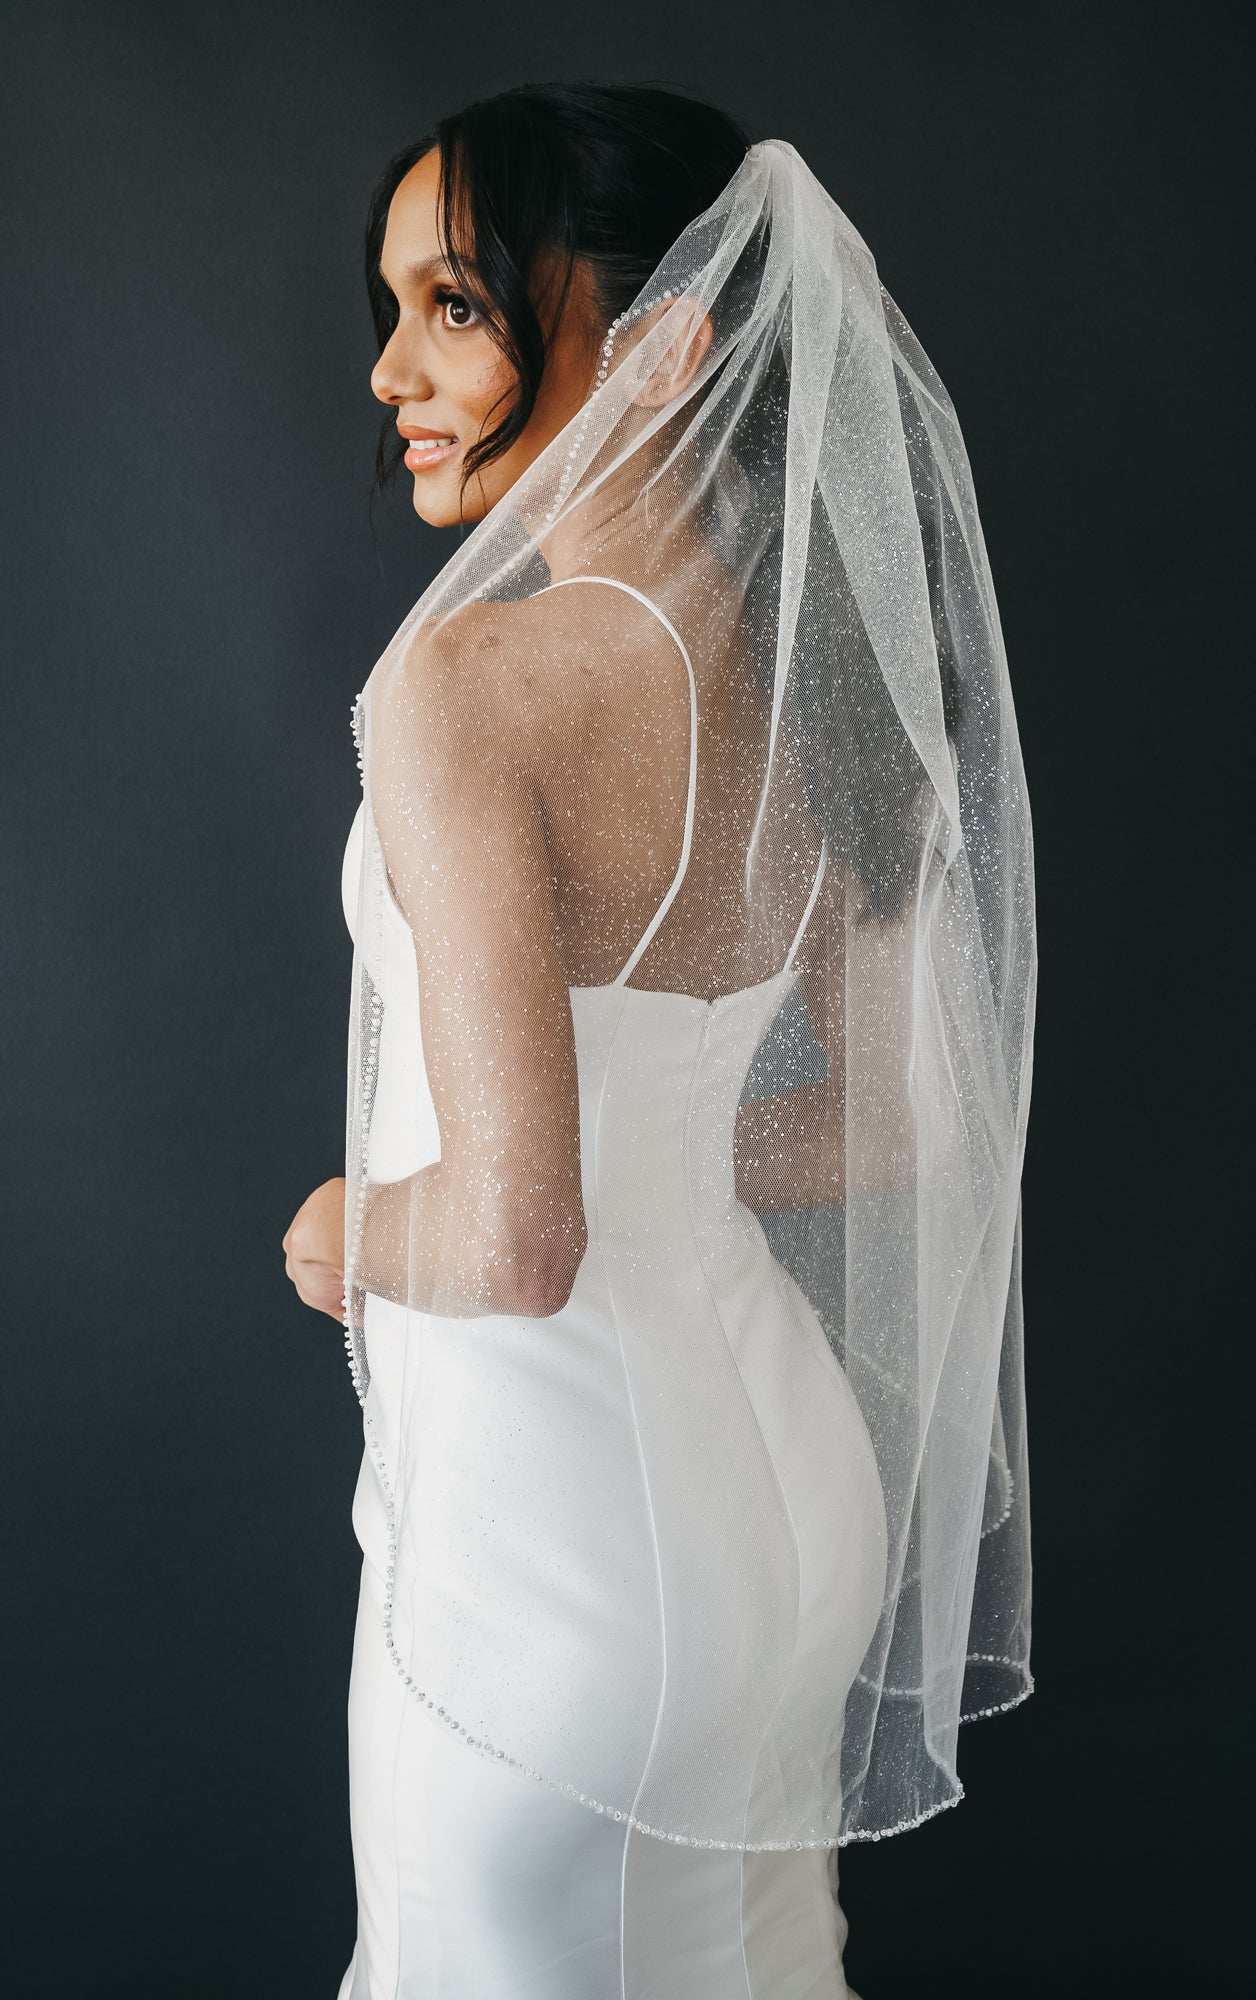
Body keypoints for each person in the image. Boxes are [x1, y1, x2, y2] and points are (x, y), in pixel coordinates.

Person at [282, 81, 1037, 2000]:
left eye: (456, 307)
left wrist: (346, 1224)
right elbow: (889, 1125)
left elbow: (512, 1240)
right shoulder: (825, 668)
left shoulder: (467, 683)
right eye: (396, 310)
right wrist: (665, 1161)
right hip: (785, 1510)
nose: (390, 373)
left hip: (559, 1572)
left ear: (667, 344)